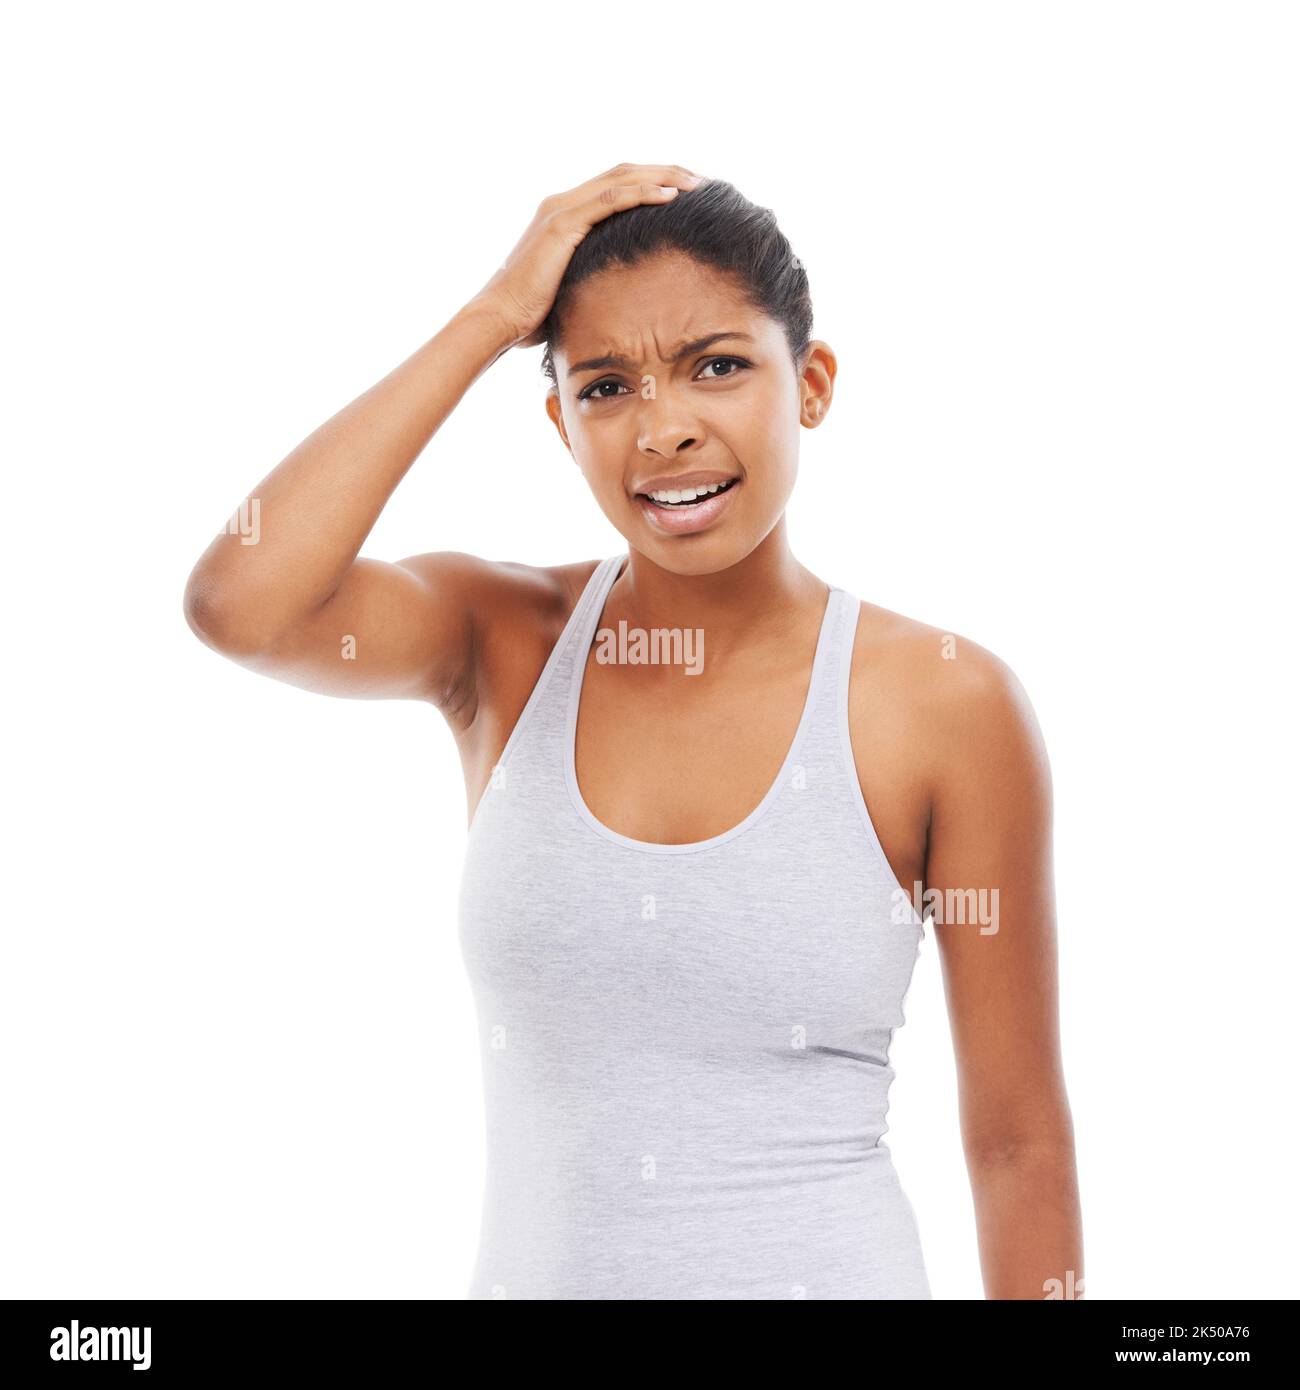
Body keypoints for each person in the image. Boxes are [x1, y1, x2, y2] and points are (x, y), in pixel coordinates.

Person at [183, 164, 1082, 1300]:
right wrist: (492, 317)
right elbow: (240, 603)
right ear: (559, 420)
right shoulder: (501, 642)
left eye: (717, 366)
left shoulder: (945, 702)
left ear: (809, 383)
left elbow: (1016, 1145)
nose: (663, 429)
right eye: (606, 388)